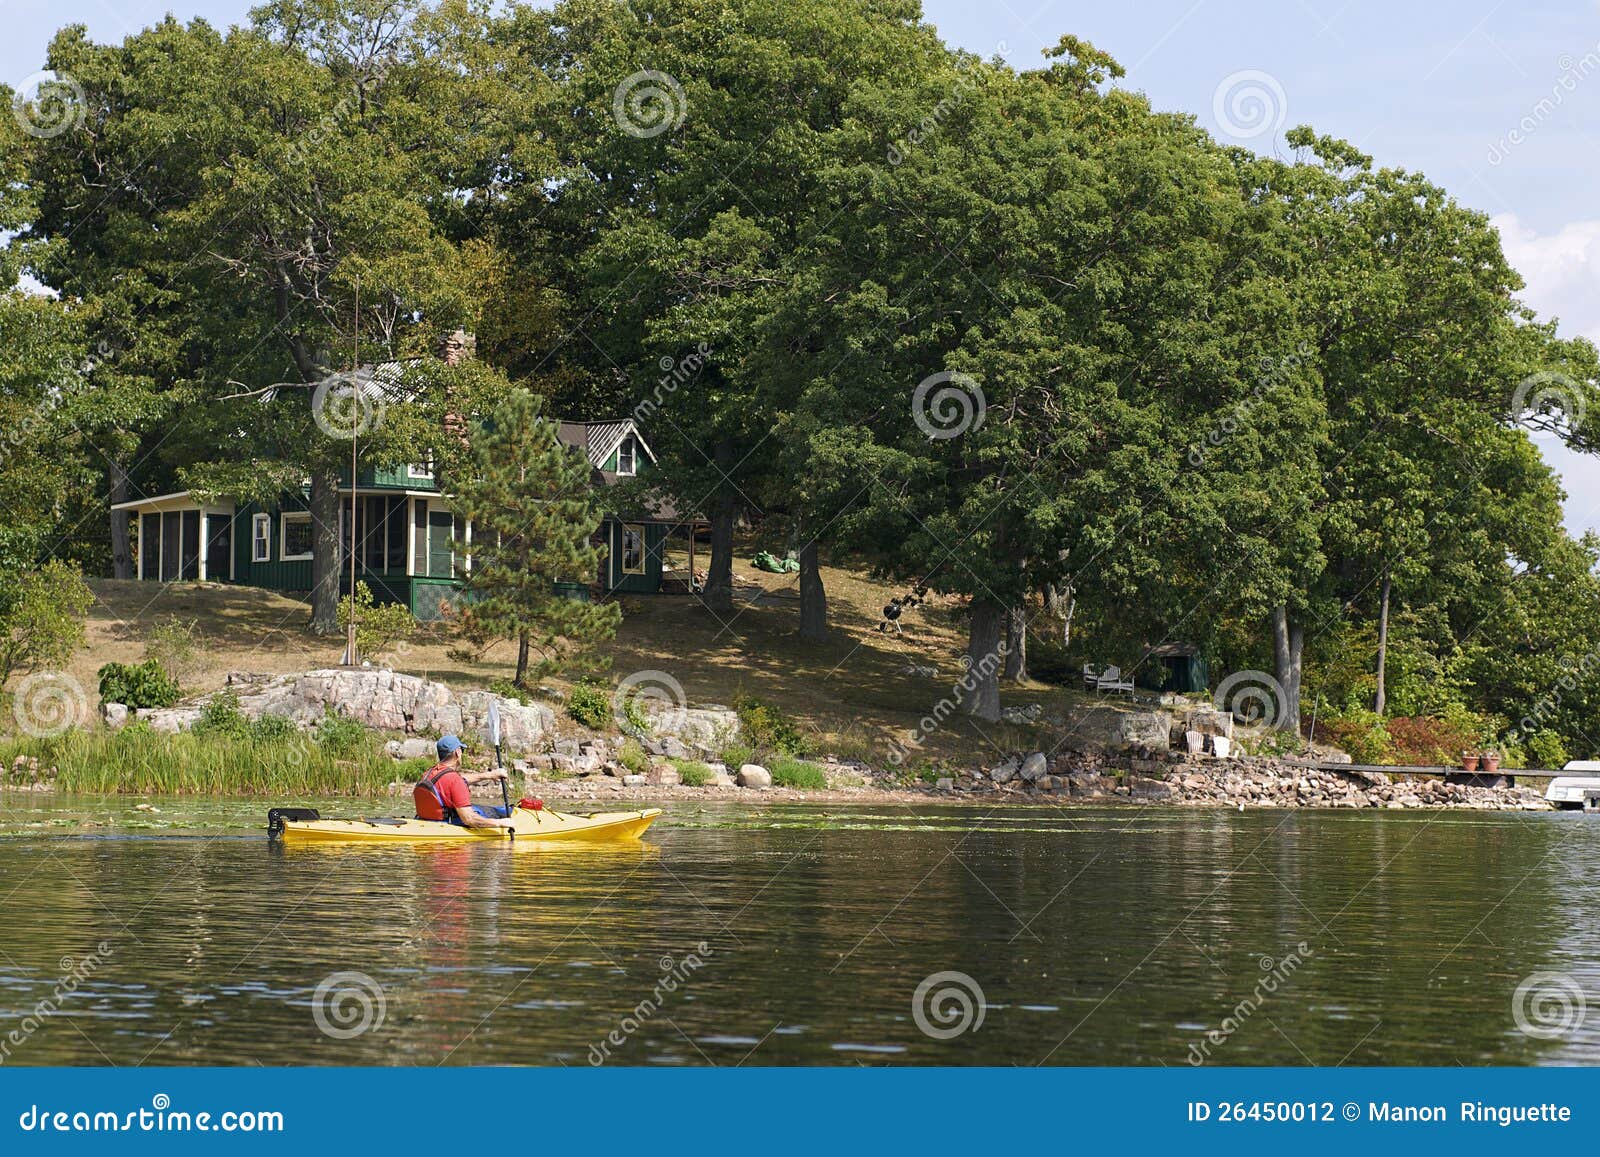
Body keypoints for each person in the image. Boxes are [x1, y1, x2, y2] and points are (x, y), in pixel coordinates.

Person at [413, 735, 513, 829]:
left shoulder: (429, 773)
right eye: (462, 750)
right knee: (494, 812)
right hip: (450, 823)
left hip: (429, 819)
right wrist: (499, 823)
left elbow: (458, 780)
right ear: (457, 752)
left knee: (492, 809)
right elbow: (469, 819)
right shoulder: (454, 780)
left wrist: (488, 775)